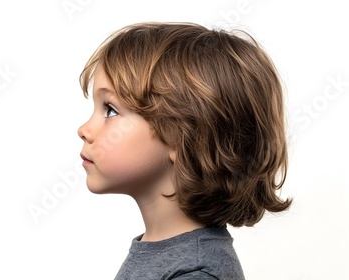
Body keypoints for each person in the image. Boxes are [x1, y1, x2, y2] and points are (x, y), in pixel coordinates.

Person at [77, 22, 292, 280]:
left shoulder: (197, 273)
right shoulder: (164, 252)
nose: (84, 130)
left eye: (110, 110)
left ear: (180, 137)